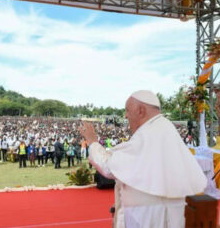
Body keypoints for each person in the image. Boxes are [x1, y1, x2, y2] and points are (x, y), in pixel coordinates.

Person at [79, 90, 207, 228]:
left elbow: (108, 167)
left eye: (127, 110)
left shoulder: (149, 133)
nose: (126, 115)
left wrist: (92, 142)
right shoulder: (163, 127)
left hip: (146, 215)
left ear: (140, 110)